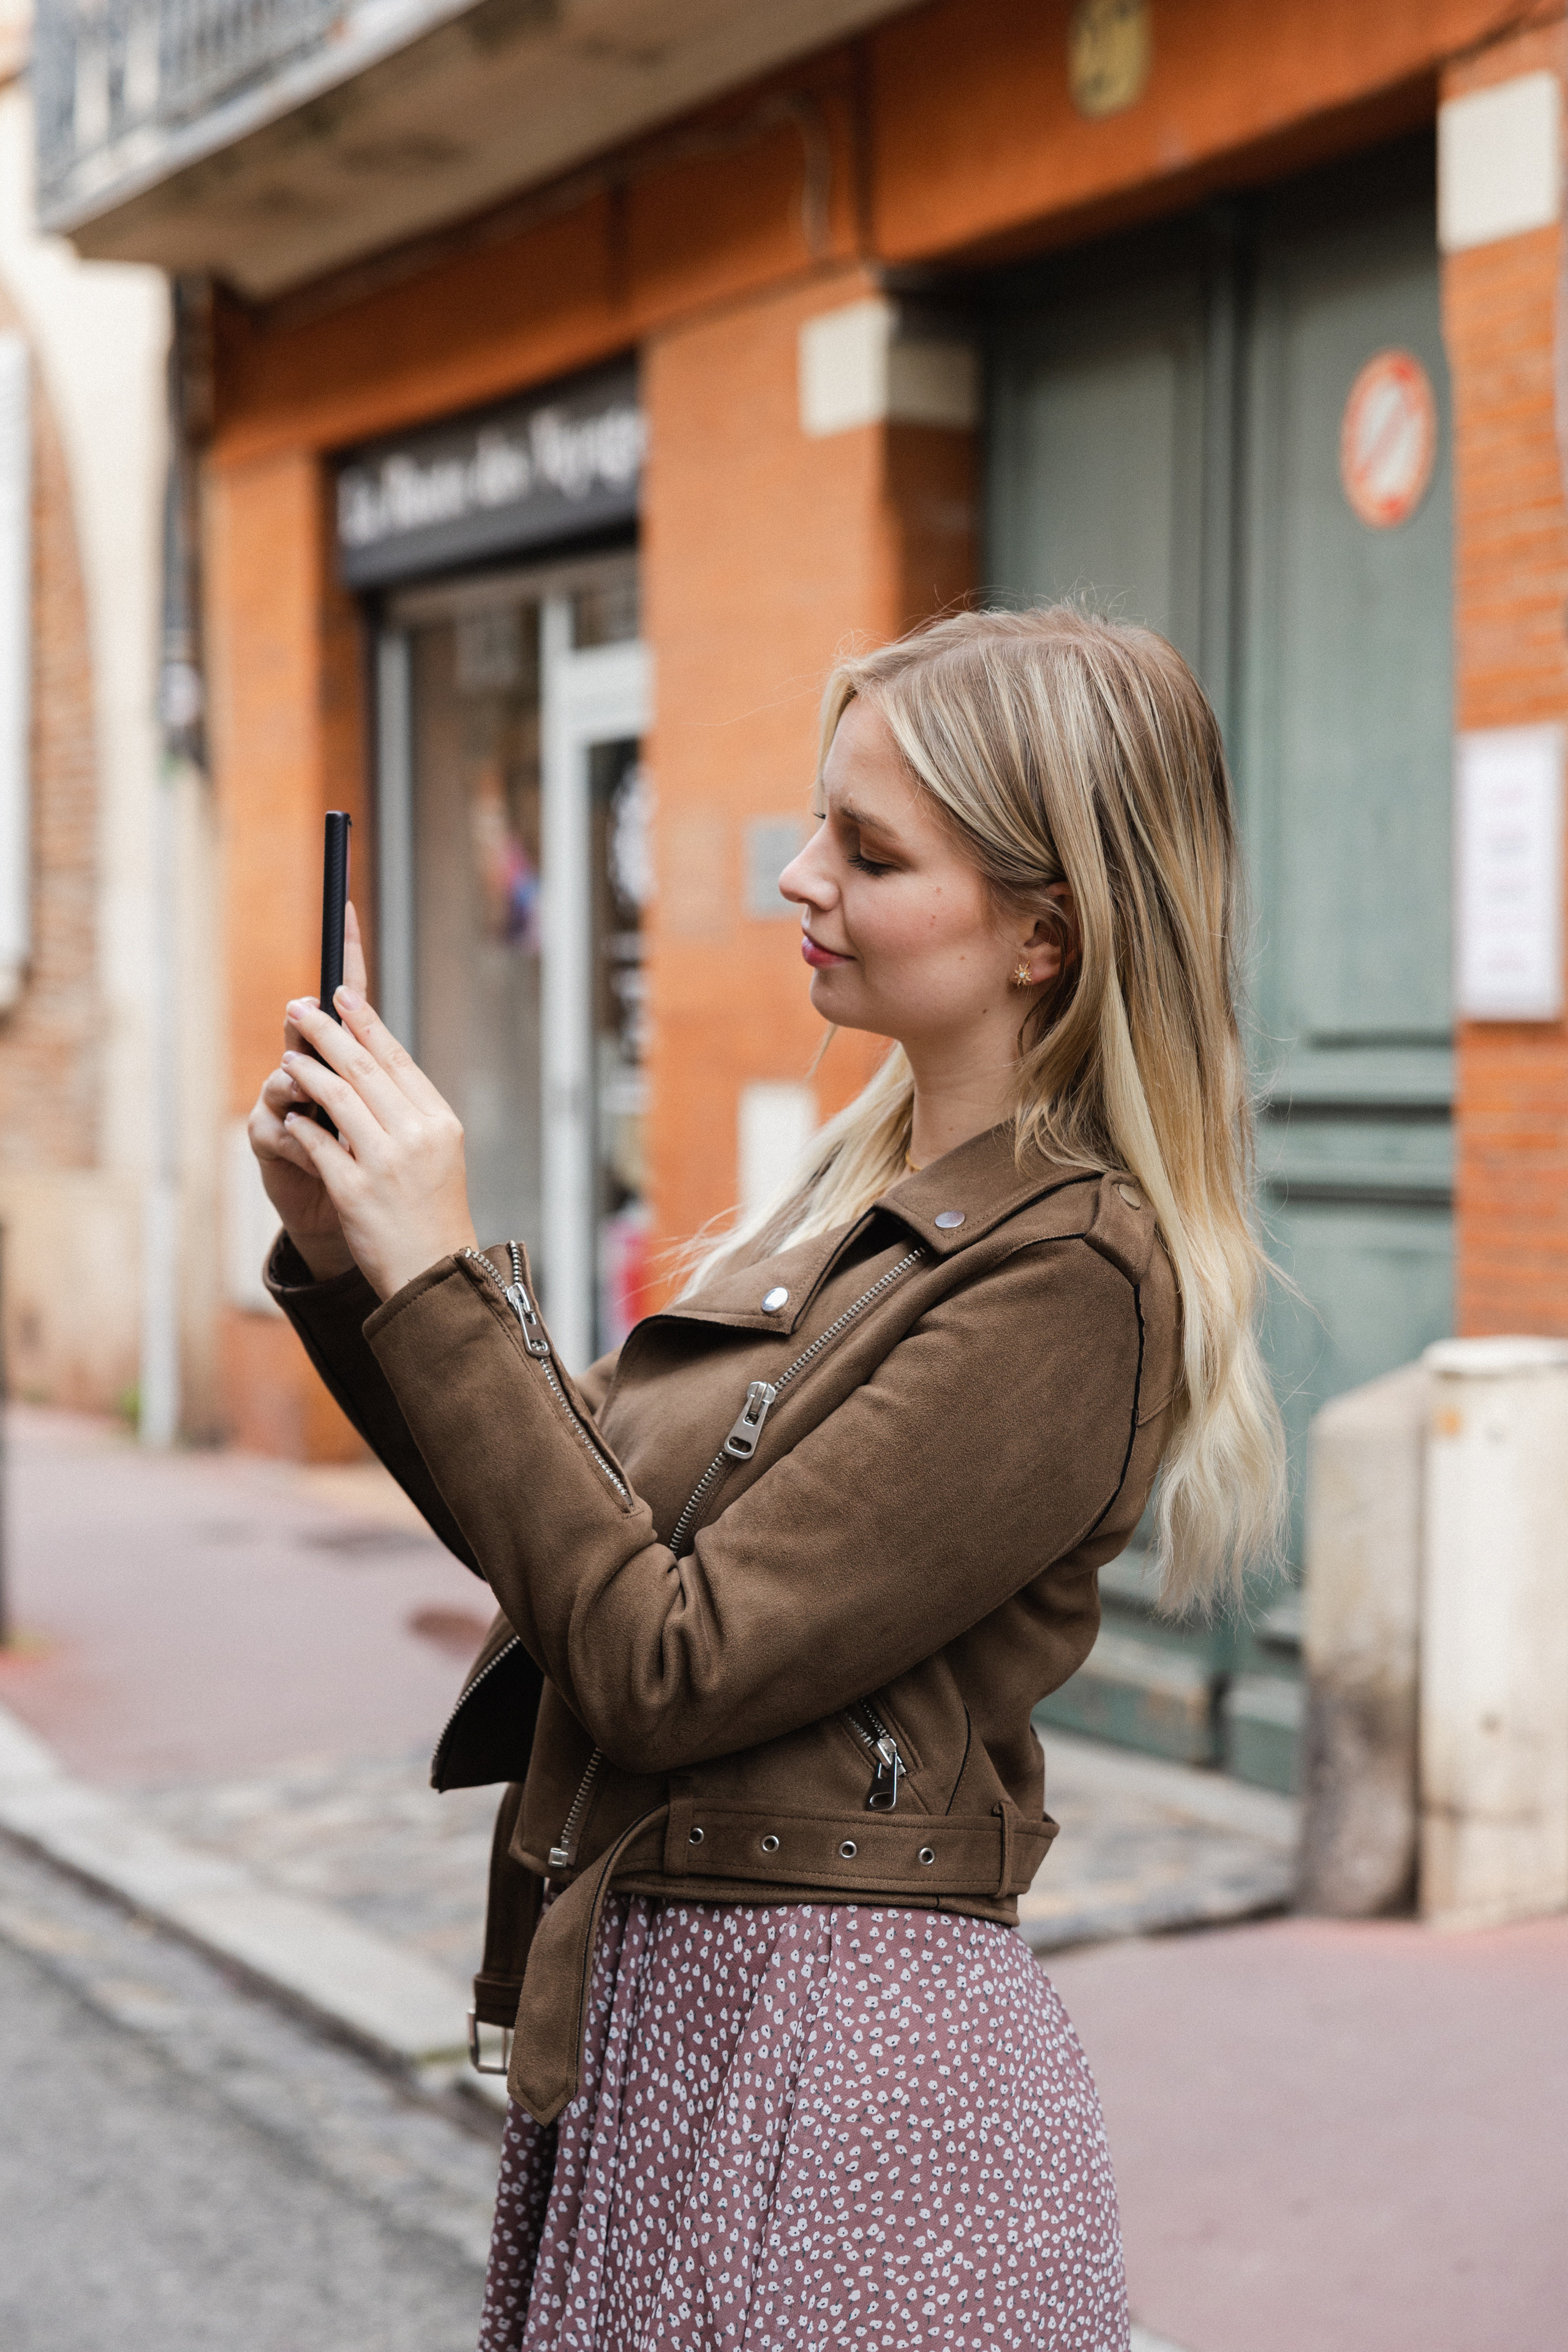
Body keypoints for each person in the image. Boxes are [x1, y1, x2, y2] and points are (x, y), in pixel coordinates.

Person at [249, 605, 1284, 2351]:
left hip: (839, 2088)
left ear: (1049, 933)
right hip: (674, 2043)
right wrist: (360, 1268)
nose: (796, 876)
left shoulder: (1074, 1278)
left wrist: (443, 1278)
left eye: (868, 850)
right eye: (821, 823)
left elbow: (666, 1667)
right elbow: (569, 1556)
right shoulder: (847, 1208)